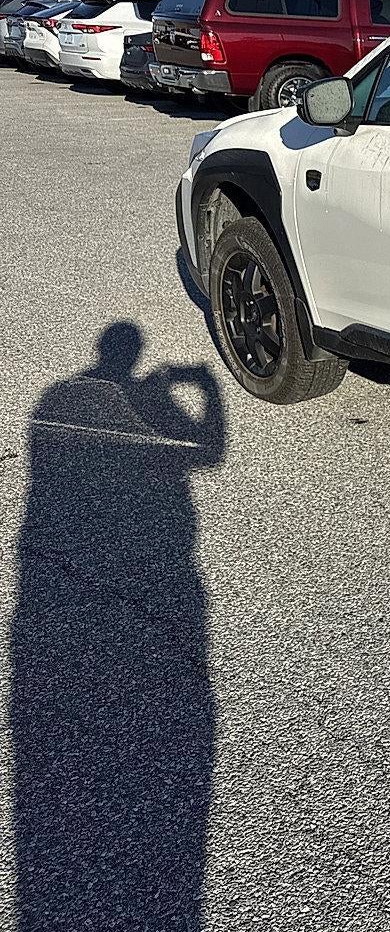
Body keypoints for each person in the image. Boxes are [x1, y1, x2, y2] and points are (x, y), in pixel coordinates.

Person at [10, 322, 225, 928]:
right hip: (160, 575)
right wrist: (204, 388)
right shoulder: (124, 402)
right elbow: (208, 451)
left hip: (51, 580)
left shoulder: (55, 399)